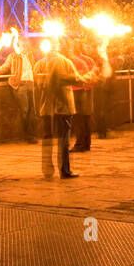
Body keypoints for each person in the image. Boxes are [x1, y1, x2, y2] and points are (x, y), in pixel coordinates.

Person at [34, 38, 84, 179]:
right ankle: (64, 170)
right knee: (63, 140)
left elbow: (37, 85)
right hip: (63, 108)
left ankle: (47, 171)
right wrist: (81, 77)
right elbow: (75, 79)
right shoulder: (64, 61)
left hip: (46, 108)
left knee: (47, 139)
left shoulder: (39, 64)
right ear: (58, 45)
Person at [0, 35, 37, 143]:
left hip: (30, 83)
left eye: (25, 43)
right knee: (25, 111)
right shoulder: (13, 56)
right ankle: (28, 136)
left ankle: (32, 135)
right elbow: (5, 67)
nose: (24, 45)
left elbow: (34, 67)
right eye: (21, 43)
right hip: (20, 85)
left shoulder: (30, 55)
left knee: (32, 111)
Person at [70, 44, 95, 152]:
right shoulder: (90, 60)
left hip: (77, 90)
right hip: (88, 89)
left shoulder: (75, 61)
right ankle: (87, 144)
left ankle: (79, 144)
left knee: (78, 118)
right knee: (86, 117)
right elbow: (94, 74)